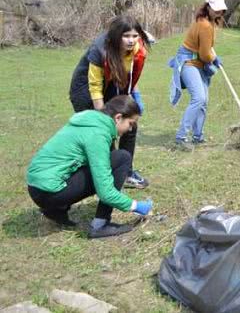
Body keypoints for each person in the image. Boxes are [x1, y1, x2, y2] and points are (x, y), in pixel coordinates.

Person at [26, 95, 153, 239]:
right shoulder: (97, 134)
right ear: (118, 118)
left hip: (36, 187)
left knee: (111, 159)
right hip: (48, 192)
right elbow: (105, 192)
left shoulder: (91, 119)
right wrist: (137, 206)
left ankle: (56, 209)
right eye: (131, 123)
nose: (130, 129)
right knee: (122, 158)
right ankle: (100, 225)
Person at [69, 15, 151, 189]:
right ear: (116, 36)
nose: (131, 40)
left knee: (130, 126)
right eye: (126, 36)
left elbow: (129, 75)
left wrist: (133, 95)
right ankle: (106, 176)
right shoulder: (100, 50)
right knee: (103, 132)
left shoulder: (138, 49)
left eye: (135, 36)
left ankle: (126, 173)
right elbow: (95, 85)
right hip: (86, 90)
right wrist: (102, 116)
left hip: (113, 84)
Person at [169, 0, 227, 150]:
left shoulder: (206, 21)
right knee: (199, 98)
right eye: (216, 9)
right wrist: (213, 59)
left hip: (197, 62)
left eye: (221, 9)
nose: (219, 12)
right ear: (207, 7)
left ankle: (197, 136)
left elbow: (206, 48)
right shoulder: (205, 25)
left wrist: (211, 55)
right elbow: (204, 54)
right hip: (189, 62)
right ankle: (181, 137)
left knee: (204, 100)